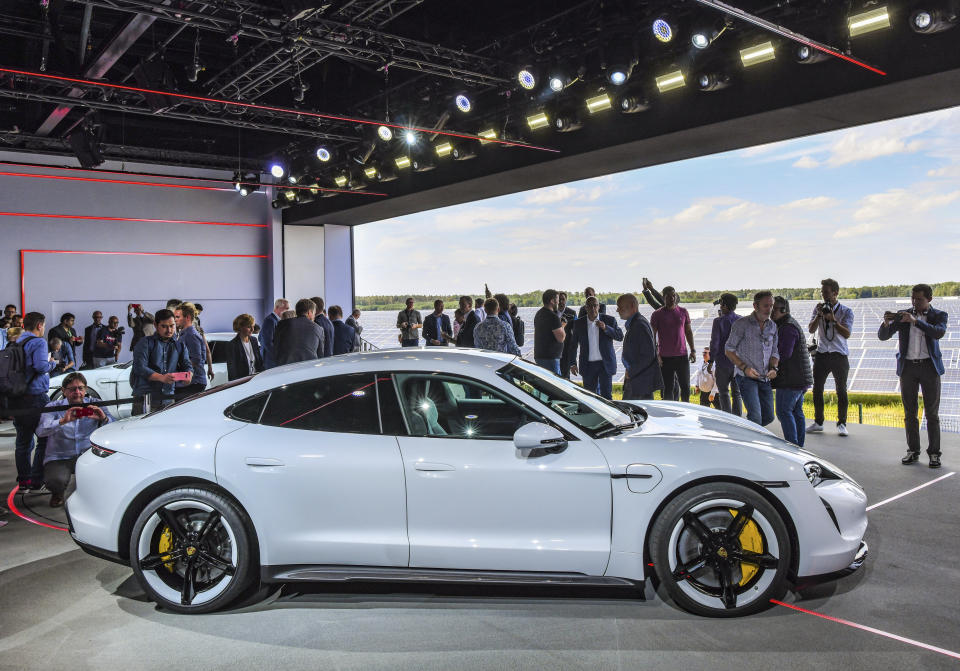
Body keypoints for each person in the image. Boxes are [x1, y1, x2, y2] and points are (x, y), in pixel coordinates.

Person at [879, 284, 948, 469]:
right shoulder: (903, 315)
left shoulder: (939, 315)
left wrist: (916, 321)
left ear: (929, 300)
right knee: (910, 413)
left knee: (932, 414)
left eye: (919, 299)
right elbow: (883, 336)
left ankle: (934, 453)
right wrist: (886, 322)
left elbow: (938, 332)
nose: (914, 302)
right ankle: (913, 451)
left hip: (929, 368)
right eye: (913, 298)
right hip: (907, 368)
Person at [35, 372, 114, 507]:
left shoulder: (95, 405)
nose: (77, 392)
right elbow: (40, 431)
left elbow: (114, 429)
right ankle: (57, 493)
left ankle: (93, 492)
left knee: (107, 475)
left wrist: (104, 419)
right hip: (60, 456)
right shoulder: (53, 407)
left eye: (81, 388)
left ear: (86, 389)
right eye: (72, 389)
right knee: (55, 481)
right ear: (63, 391)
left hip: (88, 454)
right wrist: (62, 421)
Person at [10, 312, 57, 490]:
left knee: (23, 441)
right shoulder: (39, 342)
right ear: (39, 325)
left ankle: (24, 480)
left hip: (17, 397)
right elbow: (40, 366)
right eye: (43, 326)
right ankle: (37, 479)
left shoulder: (16, 341)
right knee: (45, 437)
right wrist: (52, 363)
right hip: (36, 397)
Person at [807, 278, 855, 437]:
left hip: (839, 354)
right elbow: (811, 329)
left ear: (835, 293)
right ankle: (818, 422)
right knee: (817, 389)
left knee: (841, 390)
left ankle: (842, 423)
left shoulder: (846, 311)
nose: (824, 296)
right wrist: (818, 316)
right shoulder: (818, 308)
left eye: (826, 292)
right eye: (822, 293)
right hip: (821, 353)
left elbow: (847, 334)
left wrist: (833, 321)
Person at [725, 291, 779, 427]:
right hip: (745, 377)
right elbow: (728, 350)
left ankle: (748, 432)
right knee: (755, 416)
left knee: (769, 416)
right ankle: (754, 443)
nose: (770, 309)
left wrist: (774, 368)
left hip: (764, 377)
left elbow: (775, 351)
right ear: (755, 306)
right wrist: (745, 368)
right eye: (766, 306)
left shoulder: (773, 326)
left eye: (771, 306)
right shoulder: (741, 324)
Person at [130, 309, 193, 415]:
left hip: (168, 399)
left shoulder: (180, 345)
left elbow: (187, 365)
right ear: (155, 325)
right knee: (142, 432)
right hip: (145, 399)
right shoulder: (145, 343)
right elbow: (140, 368)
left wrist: (189, 374)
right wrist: (161, 377)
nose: (169, 330)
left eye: (172, 326)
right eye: (164, 326)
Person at [772, 297, 813, 446]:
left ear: (784, 310)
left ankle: (793, 446)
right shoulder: (788, 324)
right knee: (796, 412)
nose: (771, 311)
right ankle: (799, 447)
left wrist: (770, 364)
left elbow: (784, 353)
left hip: (791, 380)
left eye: (774, 308)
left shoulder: (787, 328)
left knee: (783, 411)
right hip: (799, 379)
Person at [569, 296, 623, 399]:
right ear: (586, 308)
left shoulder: (609, 320)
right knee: (589, 396)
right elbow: (573, 345)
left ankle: (608, 415)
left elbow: (620, 336)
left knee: (606, 395)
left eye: (595, 305)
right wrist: (572, 363)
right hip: (588, 365)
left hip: (605, 364)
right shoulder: (579, 323)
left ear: (598, 307)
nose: (593, 308)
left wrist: (605, 328)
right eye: (590, 306)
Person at [650, 287, 696, 402]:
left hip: (682, 356)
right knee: (668, 389)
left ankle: (686, 412)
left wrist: (693, 350)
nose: (672, 298)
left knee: (685, 387)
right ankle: (669, 414)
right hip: (665, 358)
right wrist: (657, 355)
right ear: (663, 297)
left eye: (673, 295)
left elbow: (688, 332)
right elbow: (652, 336)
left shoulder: (683, 312)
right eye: (669, 296)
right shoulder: (657, 314)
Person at [617, 294, 662, 400]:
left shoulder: (639, 325)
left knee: (632, 414)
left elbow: (648, 355)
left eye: (620, 307)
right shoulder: (636, 323)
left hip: (639, 383)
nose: (617, 310)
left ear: (632, 306)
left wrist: (631, 371)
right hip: (638, 381)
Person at [710, 293, 743, 416]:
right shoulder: (741, 320)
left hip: (723, 363)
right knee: (737, 394)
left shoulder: (718, 321)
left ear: (724, 305)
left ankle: (728, 419)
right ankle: (738, 419)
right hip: (739, 363)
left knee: (723, 393)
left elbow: (715, 343)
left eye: (721, 303)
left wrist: (710, 361)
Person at [274, 298, 326, 365]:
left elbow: (276, 347)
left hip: (285, 368)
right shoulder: (318, 329)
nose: (314, 316)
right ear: (309, 312)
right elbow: (320, 355)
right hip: (308, 369)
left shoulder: (282, 324)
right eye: (314, 313)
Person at [174, 303, 208, 399]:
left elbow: (196, 359)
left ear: (187, 317)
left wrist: (177, 372)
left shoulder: (190, 334)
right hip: (187, 383)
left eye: (178, 317)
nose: (175, 319)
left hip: (193, 384)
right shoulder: (183, 334)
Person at [534, 289, 565, 374]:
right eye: (557, 299)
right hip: (550, 358)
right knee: (555, 384)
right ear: (552, 301)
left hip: (539, 356)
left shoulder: (538, 314)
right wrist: (562, 326)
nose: (558, 302)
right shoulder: (553, 317)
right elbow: (561, 338)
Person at [226, 314, 263, 381]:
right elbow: (232, 372)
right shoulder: (232, 345)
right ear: (240, 327)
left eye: (253, 326)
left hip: (256, 380)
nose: (252, 329)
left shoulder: (254, 340)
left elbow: (259, 362)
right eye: (249, 327)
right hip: (242, 383)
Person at [260, 298, 289, 369]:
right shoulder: (270, 320)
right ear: (277, 307)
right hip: (270, 360)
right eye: (286, 308)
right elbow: (267, 342)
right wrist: (278, 356)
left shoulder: (277, 320)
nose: (287, 311)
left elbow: (260, 337)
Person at [557, 291, 578, 378]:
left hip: (567, 348)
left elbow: (576, 330)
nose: (561, 301)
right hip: (554, 348)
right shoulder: (552, 312)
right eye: (559, 299)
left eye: (563, 299)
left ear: (566, 300)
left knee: (565, 375)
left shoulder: (572, 313)